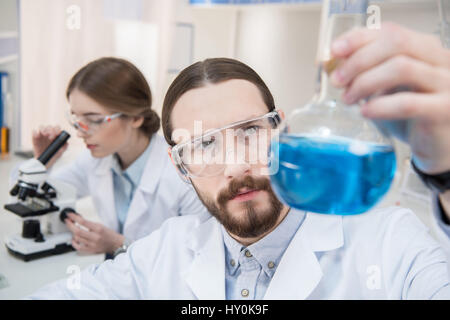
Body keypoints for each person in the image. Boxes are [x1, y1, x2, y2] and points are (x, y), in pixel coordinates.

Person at [28, 23, 450, 299]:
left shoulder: (387, 242)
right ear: (180, 165)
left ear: (281, 130)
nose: (234, 167)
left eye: (249, 131)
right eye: (204, 145)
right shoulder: (164, 253)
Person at [14, 57, 207, 259]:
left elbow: (197, 256)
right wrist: (43, 161)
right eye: (76, 119)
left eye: (94, 120)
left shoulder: (186, 174)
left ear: (135, 117)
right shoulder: (96, 160)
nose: (81, 132)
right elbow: (32, 197)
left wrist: (118, 245)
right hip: (117, 278)